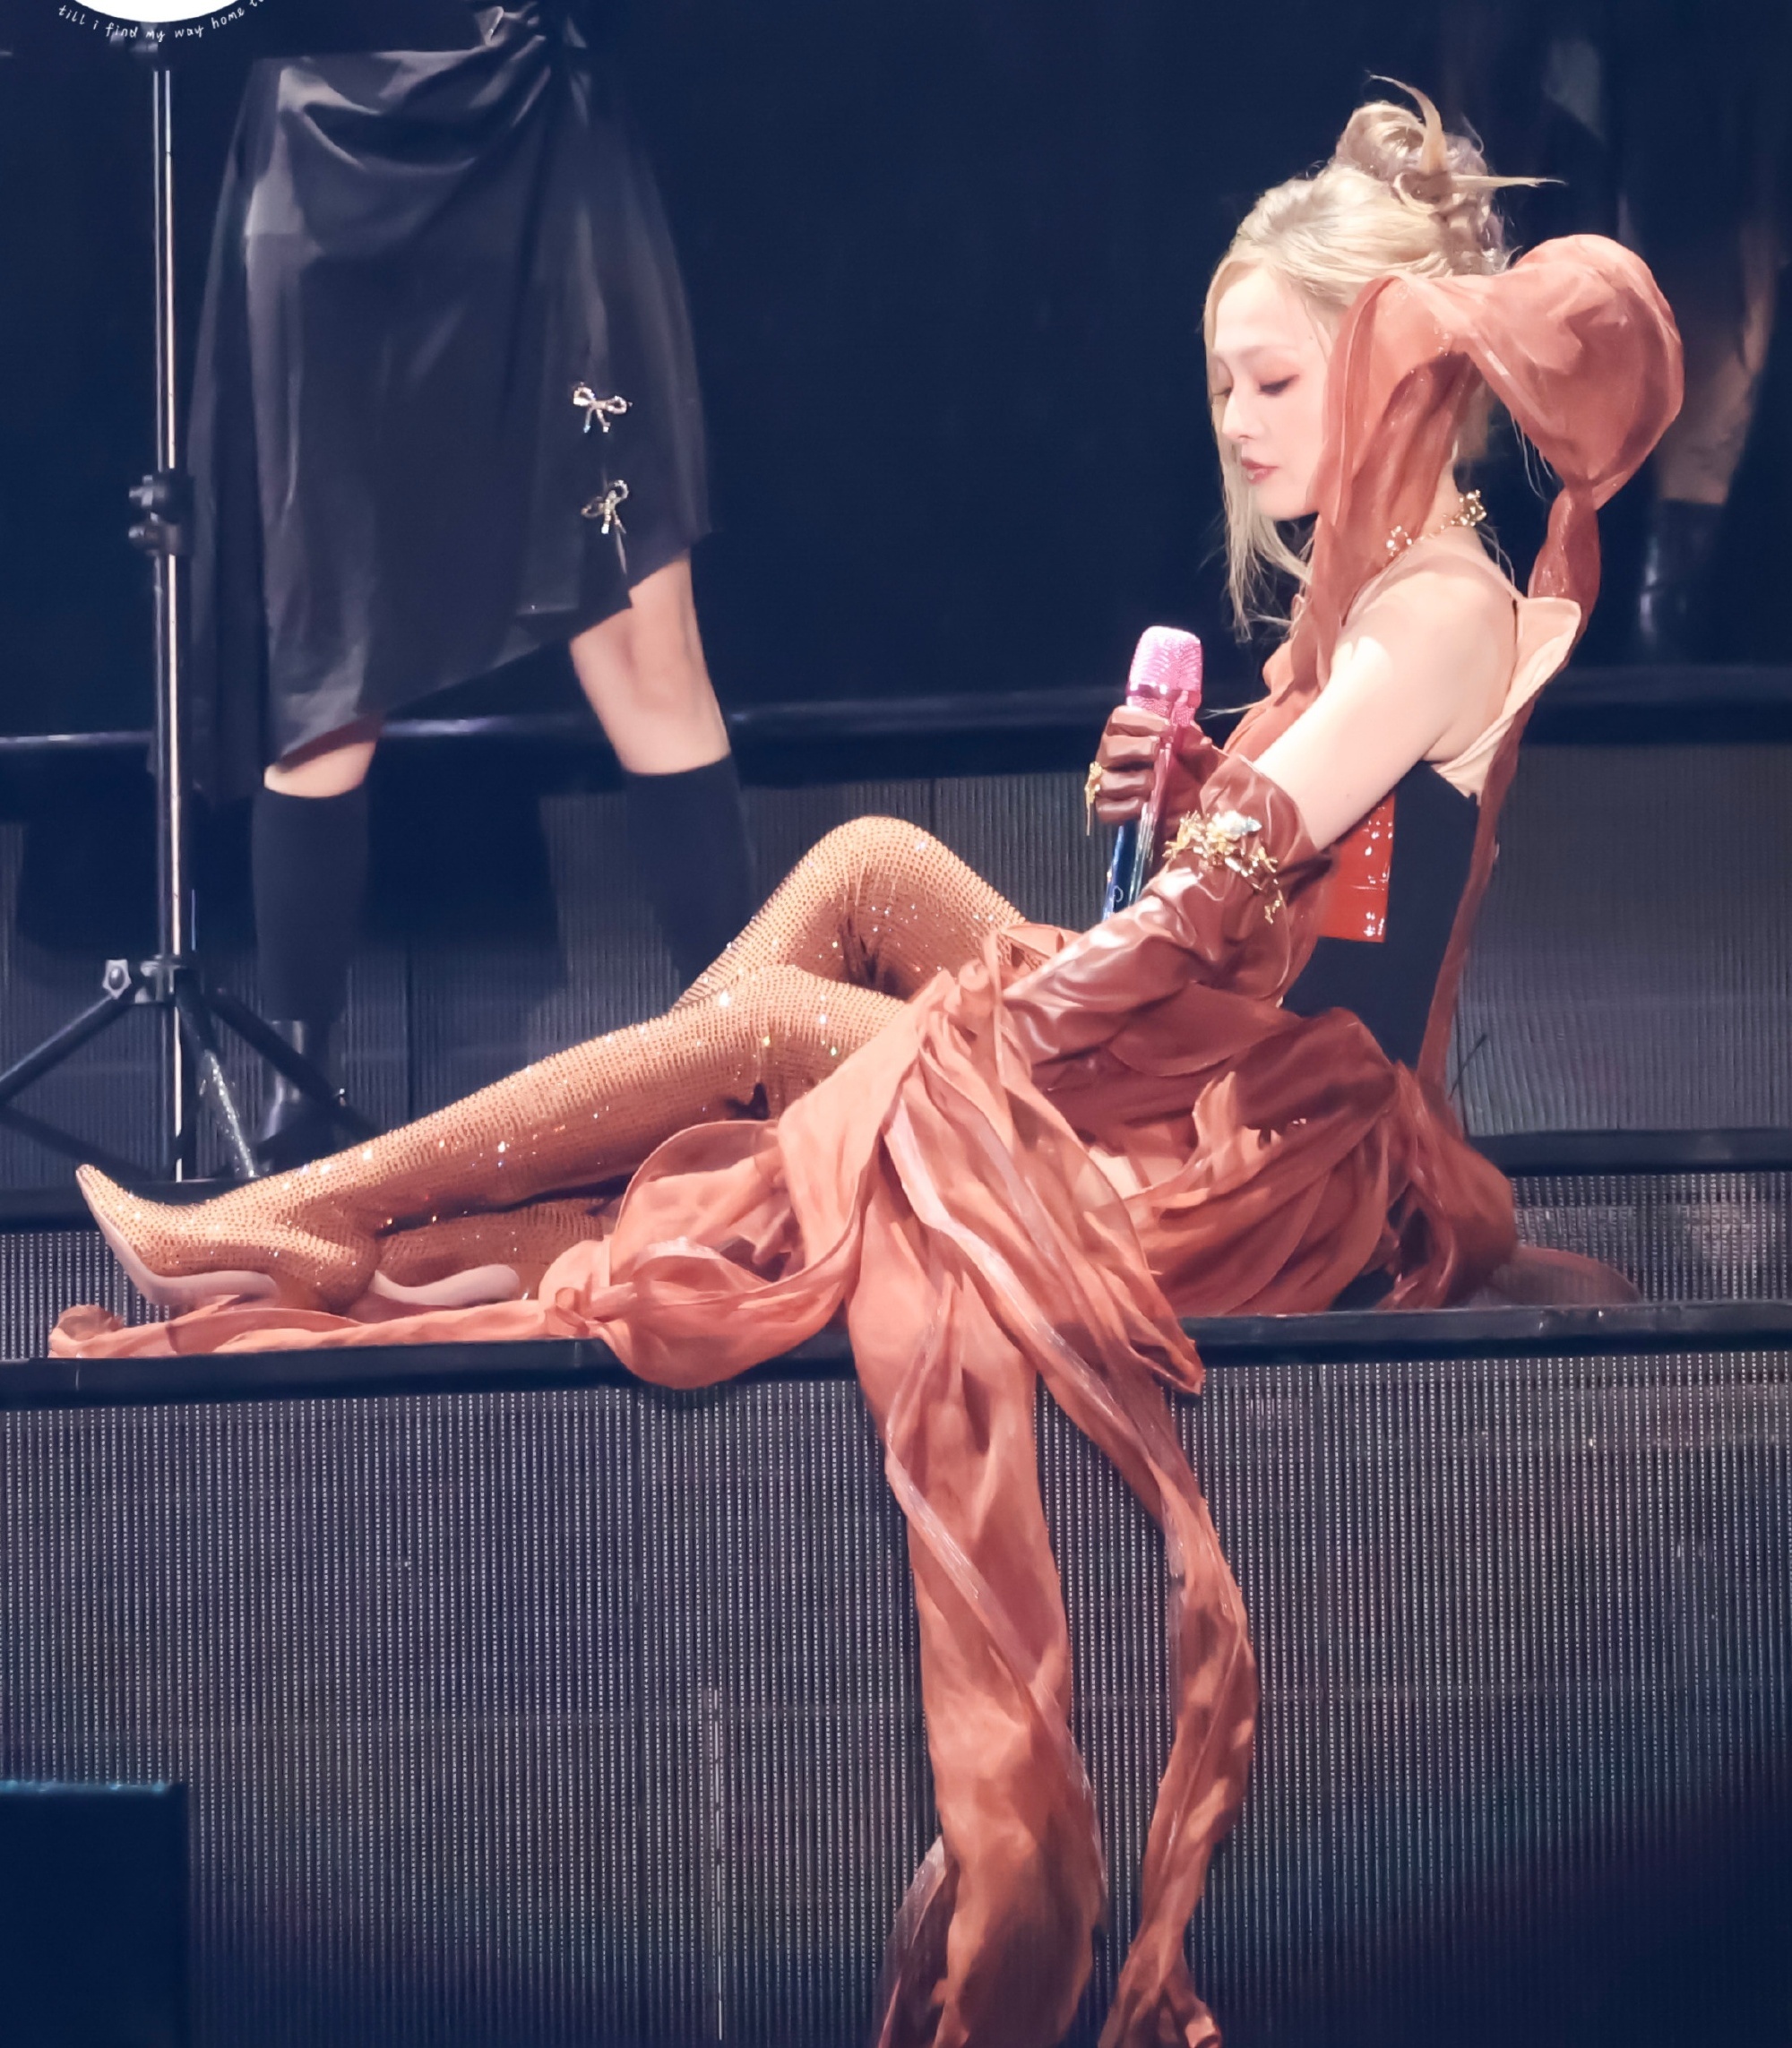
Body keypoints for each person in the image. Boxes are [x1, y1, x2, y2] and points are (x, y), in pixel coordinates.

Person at [65, 93, 1679, 2048]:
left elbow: (1207, 929)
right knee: (867, 872)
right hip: (1202, 1068)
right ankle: (443, 1225)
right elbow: (1284, 894)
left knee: (784, 1048)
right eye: (1222, 387)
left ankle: (316, 1219)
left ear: (1383, 360)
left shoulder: (1426, 616)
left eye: (1271, 381)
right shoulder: (1380, 598)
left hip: (1256, 1159)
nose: (1240, 423)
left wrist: (1010, 1013)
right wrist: (1180, 787)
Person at [189, 0, 754, 1167]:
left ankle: (745, 1061)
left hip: (537, 128)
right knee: (326, 655)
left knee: (645, 640)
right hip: (319, 138)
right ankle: (301, 1106)